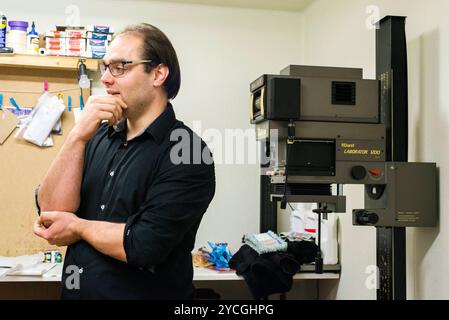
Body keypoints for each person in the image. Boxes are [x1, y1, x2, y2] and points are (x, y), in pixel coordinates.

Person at [34, 23, 215, 299]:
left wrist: (78, 227)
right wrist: (76, 137)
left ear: (158, 73)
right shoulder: (94, 136)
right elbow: (51, 211)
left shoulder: (188, 152)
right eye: (105, 67)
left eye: (120, 67)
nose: (106, 78)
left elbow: (143, 244)